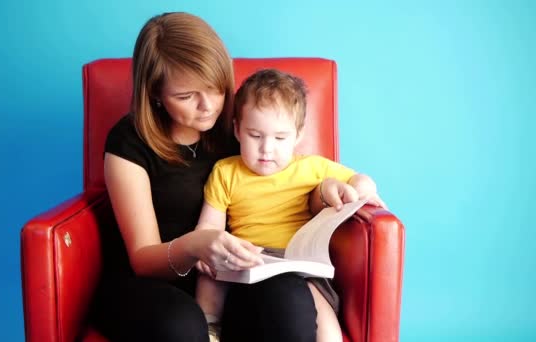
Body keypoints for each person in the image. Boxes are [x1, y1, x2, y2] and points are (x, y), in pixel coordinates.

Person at [90, 12, 341, 342]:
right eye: (186, 96)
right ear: (155, 94)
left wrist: (324, 191)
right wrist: (198, 244)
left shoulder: (241, 125)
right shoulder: (129, 141)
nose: (207, 106)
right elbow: (142, 259)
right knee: (183, 326)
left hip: (230, 277)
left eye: (215, 88)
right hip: (151, 284)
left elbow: (290, 178)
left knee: (287, 302)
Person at [194, 69, 386, 342]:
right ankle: (211, 324)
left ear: (297, 135)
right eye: (255, 136)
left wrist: (362, 189)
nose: (266, 149)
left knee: (326, 326)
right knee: (209, 271)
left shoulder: (313, 167)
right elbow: (208, 225)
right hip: (247, 259)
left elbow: (358, 179)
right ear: (237, 129)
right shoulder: (226, 171)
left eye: (280, 138)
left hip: (300, 263)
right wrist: (208, 246)